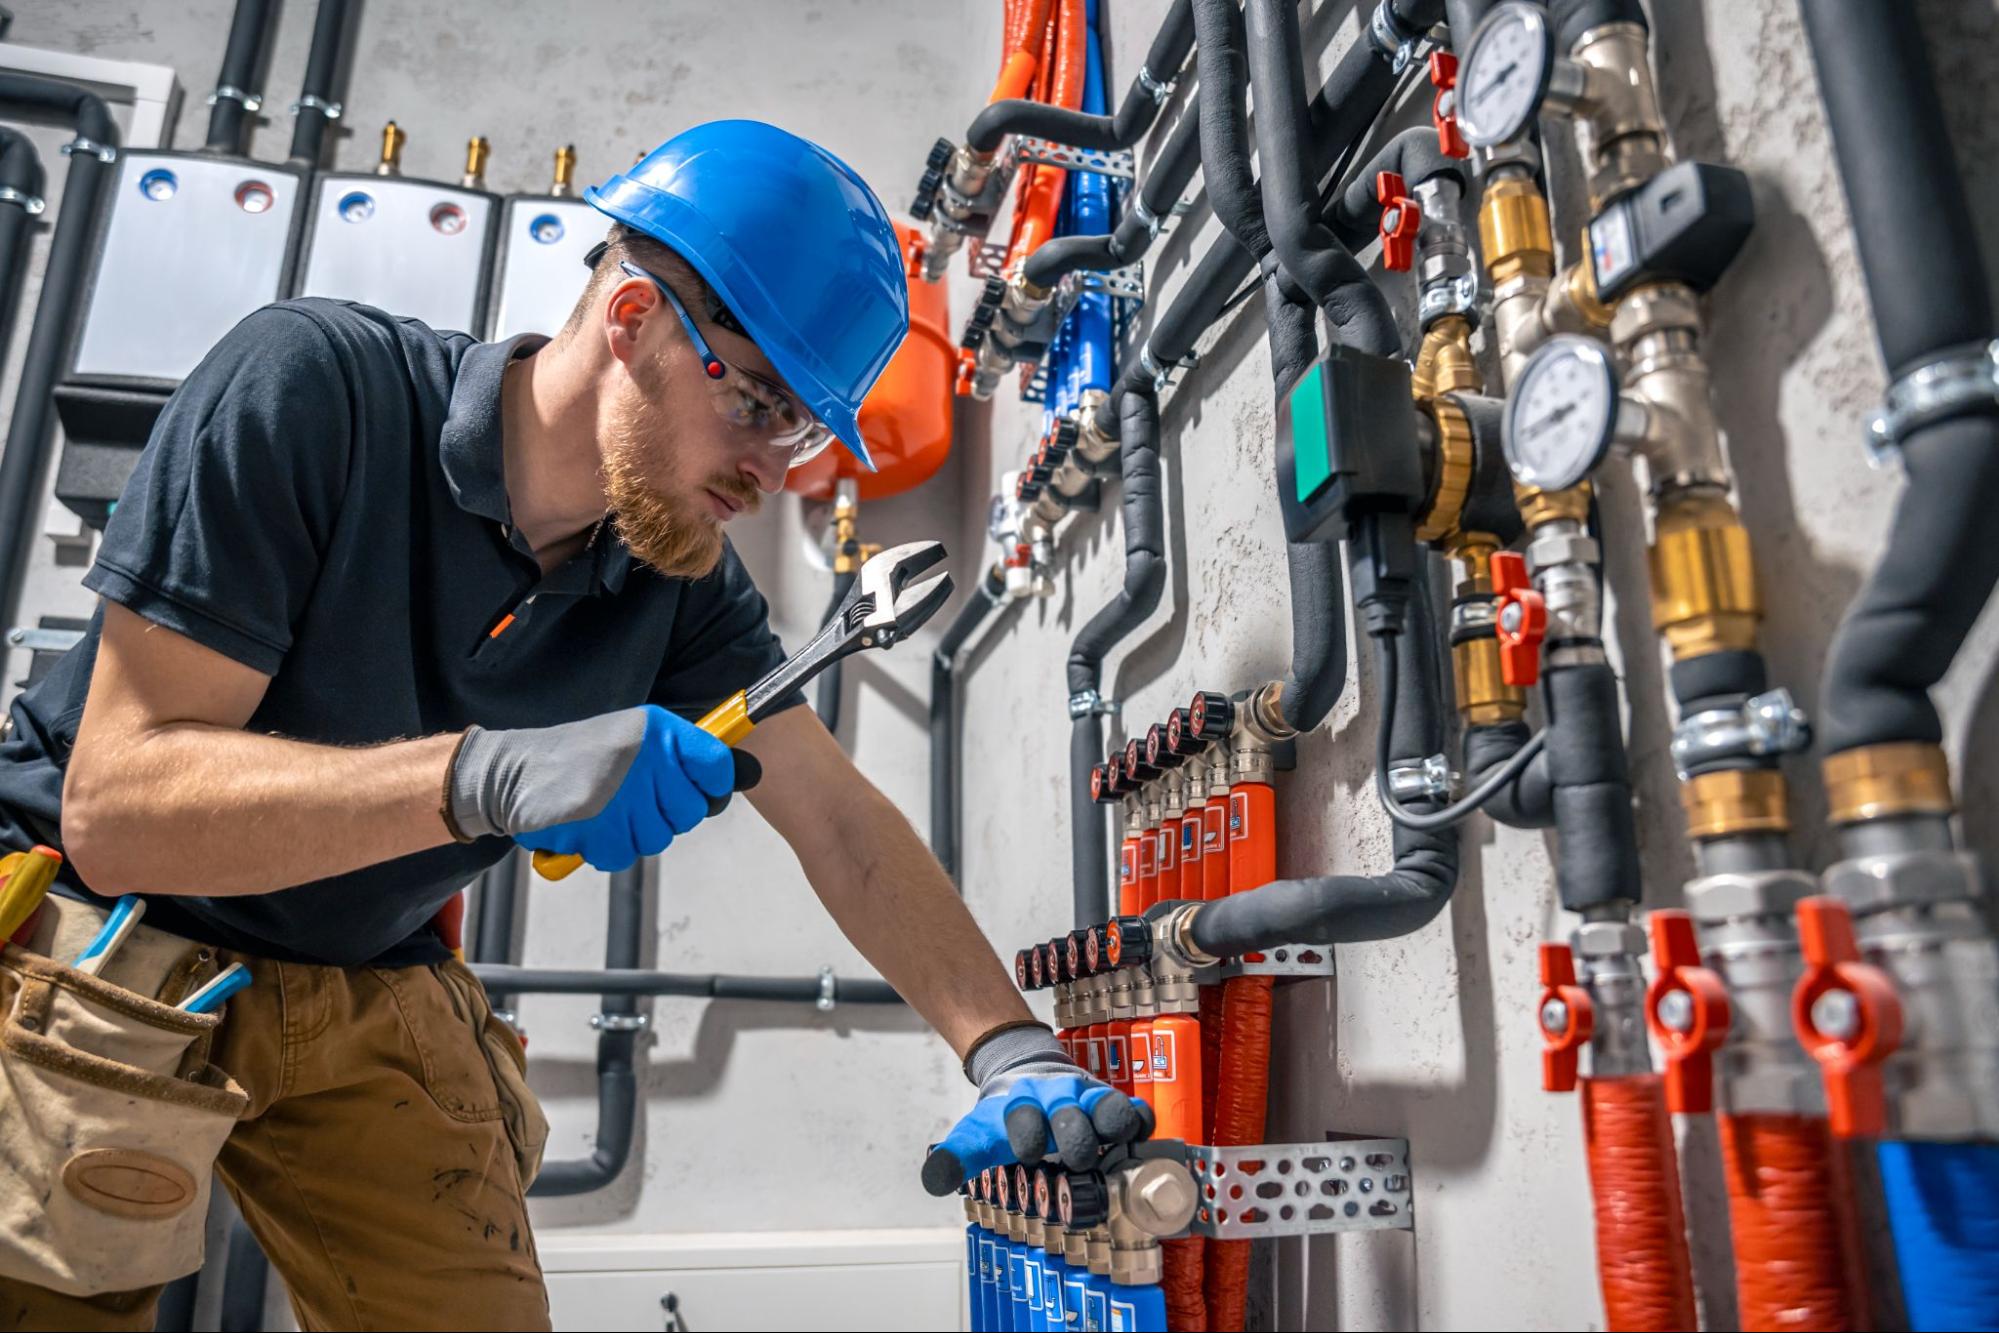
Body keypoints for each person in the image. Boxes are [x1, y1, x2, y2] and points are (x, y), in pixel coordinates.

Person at [0, 120, 1136, 1331]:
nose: (775, 467)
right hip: (103, 934)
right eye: (758, 403)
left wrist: (1007, 1047)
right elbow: (118, 812)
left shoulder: (675, 577)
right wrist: (483, 777)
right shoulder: (315, 389)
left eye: (802, 430)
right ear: (635, 319)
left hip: (364, 971)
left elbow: (840, 821)